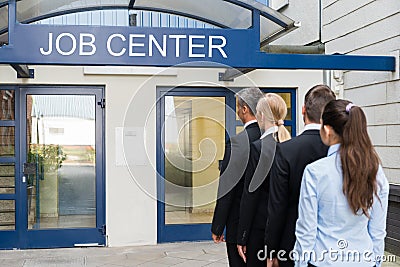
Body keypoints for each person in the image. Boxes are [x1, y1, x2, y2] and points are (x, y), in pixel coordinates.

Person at [294, 99, 389, 267]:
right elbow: (378, 231)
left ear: (328, 130)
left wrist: (300, 264)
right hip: (363, 260)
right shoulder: (376, 172)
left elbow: (306, 231)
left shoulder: (315, 172)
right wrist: (377, 262)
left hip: (324, 261)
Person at [265, 85, 336, 267]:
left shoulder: (286, 150)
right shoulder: (343, 151)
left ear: (303, 110)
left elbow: (277, 206)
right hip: (337, 245)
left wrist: (271, 250)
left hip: (291, 243)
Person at [211, 87, 264, 267]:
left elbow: (227, 187)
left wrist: (218, 226)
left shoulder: (237, 143)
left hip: (238, 222)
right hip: (267, 224)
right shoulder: (274, 138)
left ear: (245, 109)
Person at [237, 93, 291, 266]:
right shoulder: (291, 145)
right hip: (286, 229)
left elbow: (250, 195)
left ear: (260, 116)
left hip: (260, 230)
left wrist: (242, 236)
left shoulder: (258, 148)